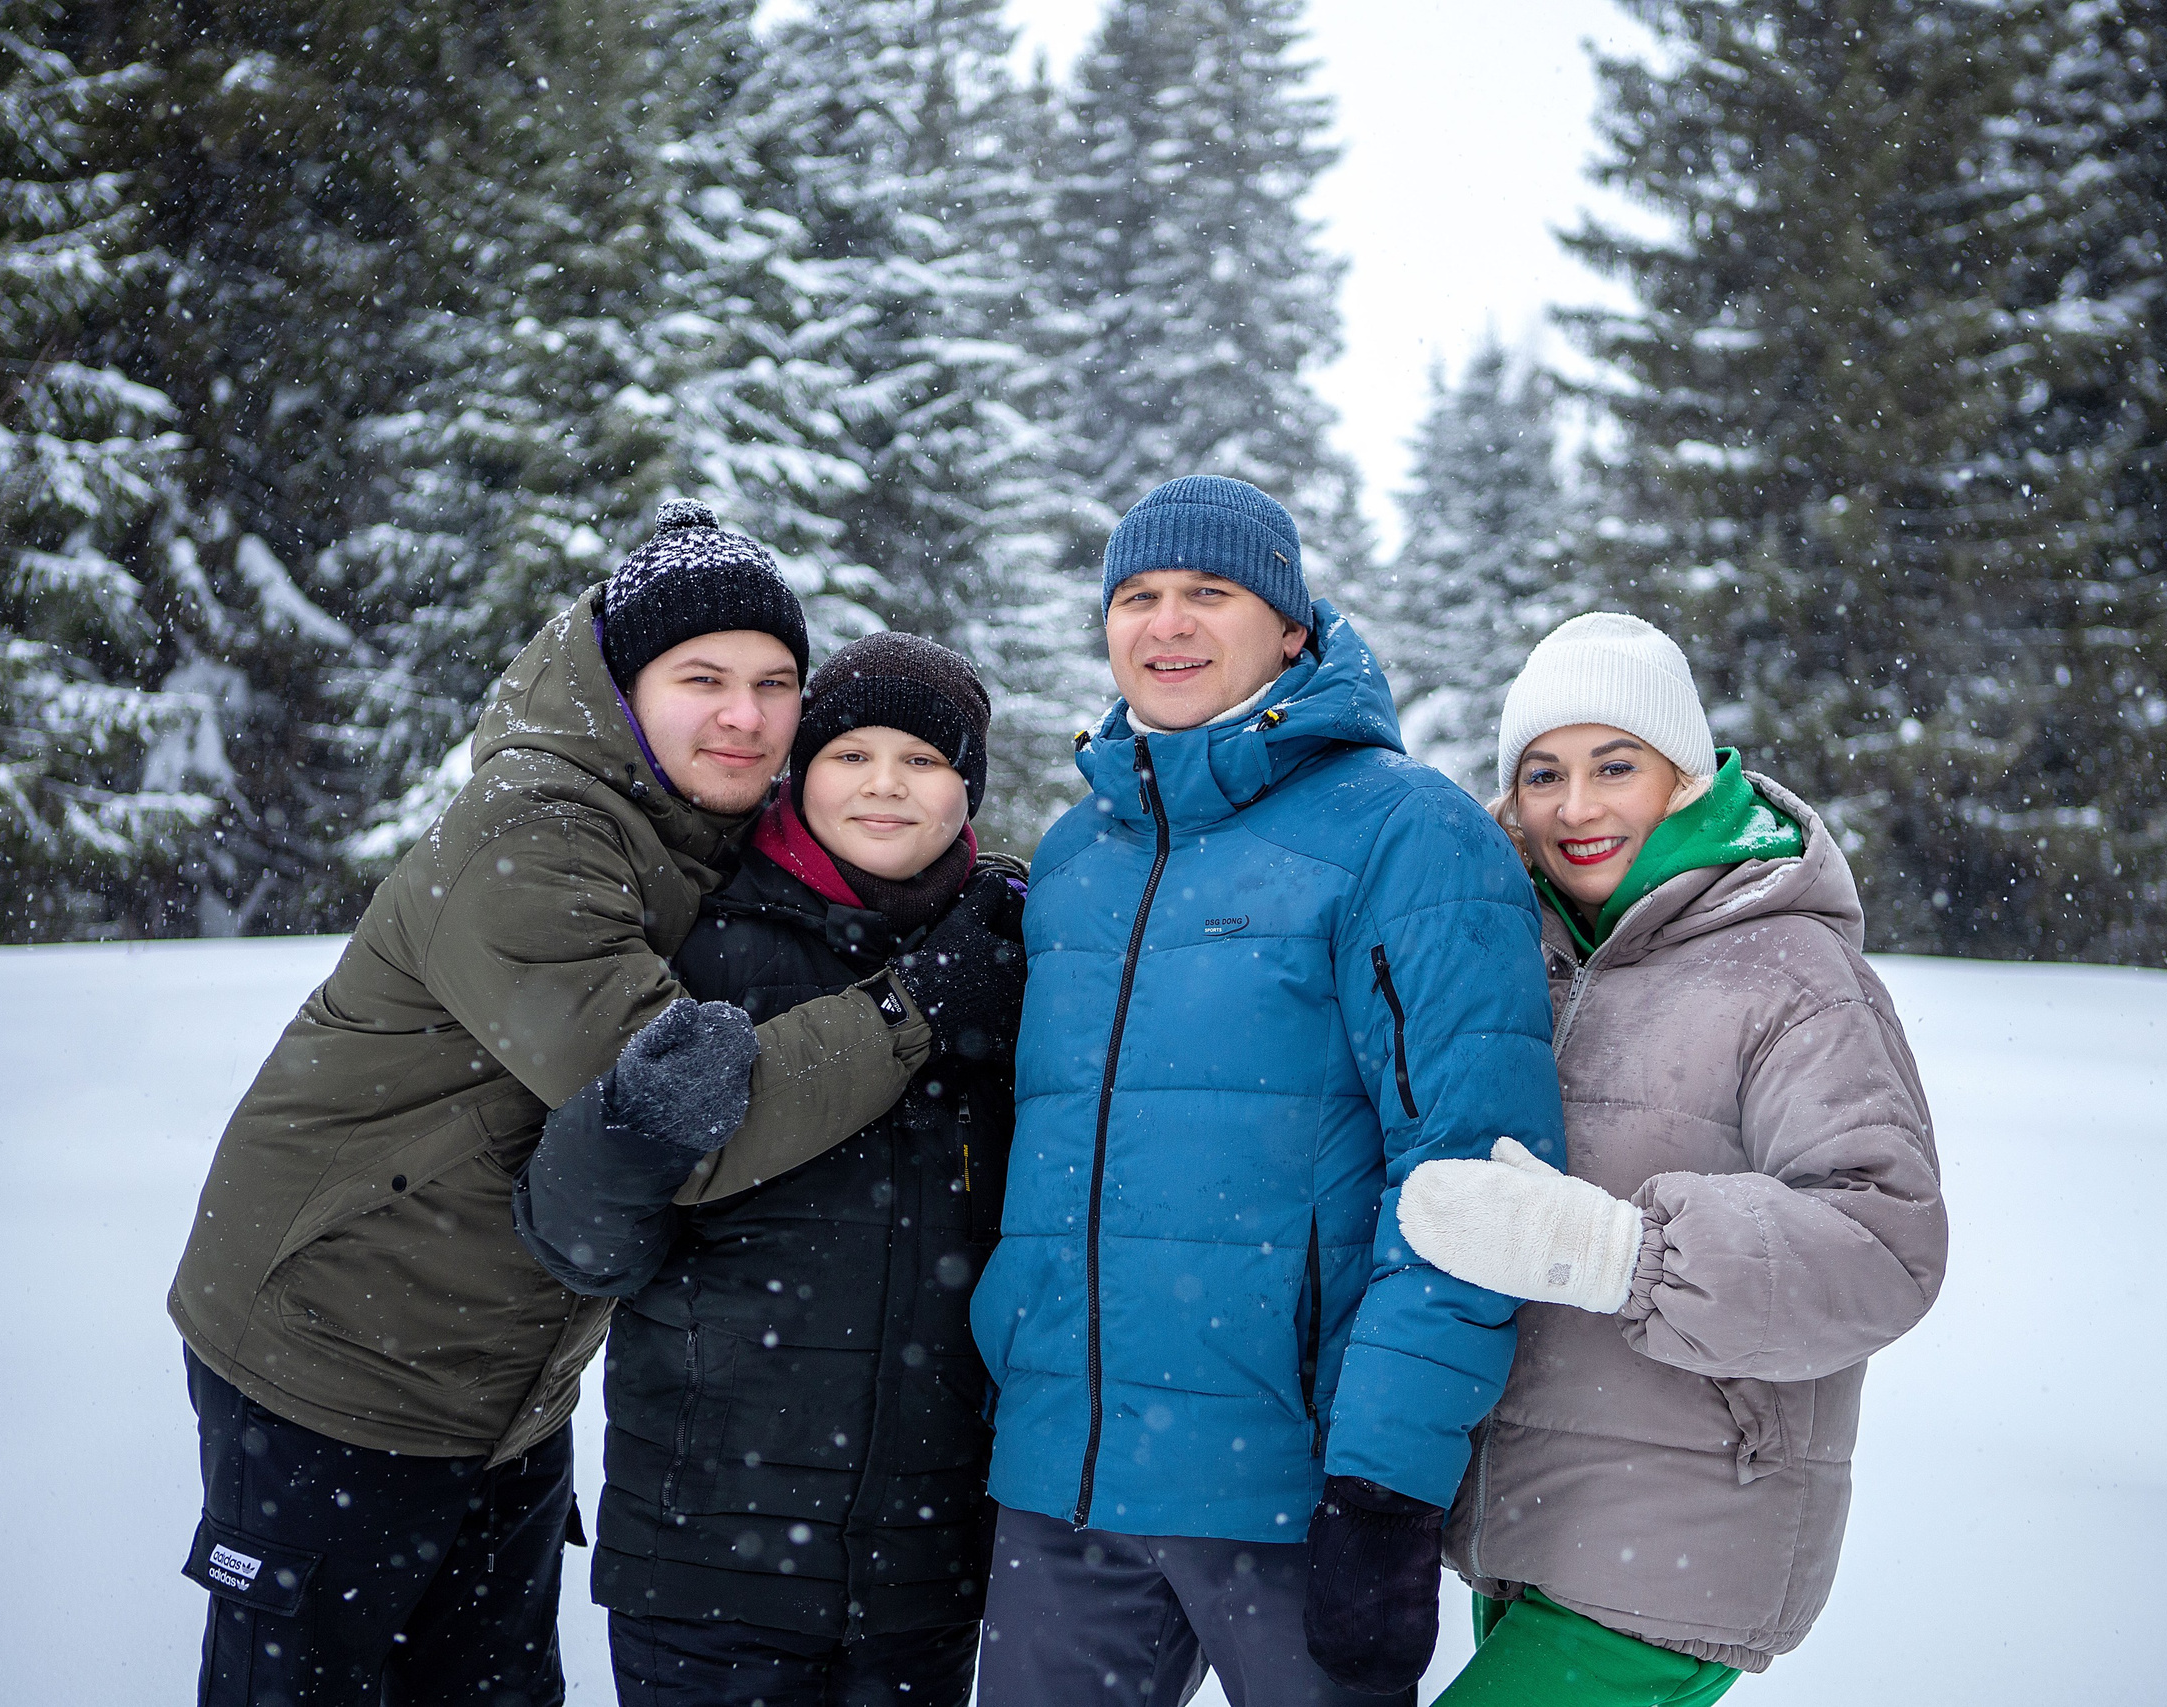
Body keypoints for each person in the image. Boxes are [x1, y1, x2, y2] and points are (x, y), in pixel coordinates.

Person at [165, 502, 922, 1707]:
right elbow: (679, 1119)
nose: (745, 715)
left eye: (776, 682)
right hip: (335, 1346)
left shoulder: (688, 825)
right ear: (622, 687)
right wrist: (909, 1009)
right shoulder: (537, 832)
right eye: (703, 678)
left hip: (501, 1379)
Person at [969, 475, 1568, 1707]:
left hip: (1291, 1495)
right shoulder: (1079, 857)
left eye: (1210, 593)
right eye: (1134, 596)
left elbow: (1470, 1180)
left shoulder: (1406, 833)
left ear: (1291, 627)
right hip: (1061, 1484)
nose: (1166, 624)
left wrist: (1385, 1489)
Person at [1395, 611, 1949, 1705]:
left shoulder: (1790, 972)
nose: (1576, 805)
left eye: (1616, 765)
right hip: (1523, 1512)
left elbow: (1886, 1248)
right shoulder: (1522, 958)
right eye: (1542, 773)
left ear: (1685, 779)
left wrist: (1618, 1252)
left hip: (1682, 1531)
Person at [513, 632, 1029, 1707]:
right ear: (802, 769)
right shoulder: (699, 940)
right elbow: (579, 1238)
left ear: (966, 787)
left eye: (925, 761)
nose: (885, 785)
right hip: (707, 1566)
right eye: (851, 755)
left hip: (925, 1571)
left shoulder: (1015, 958)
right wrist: (638, 1127)